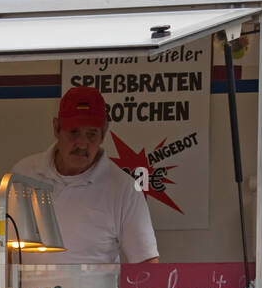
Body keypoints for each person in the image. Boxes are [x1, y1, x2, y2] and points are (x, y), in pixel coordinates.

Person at [10, 86, 159, 266]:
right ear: (56, 128)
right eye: (74, 132)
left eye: (91, 134)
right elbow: (5, 246)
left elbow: (147, 261)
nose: (82, 143)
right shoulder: (24, 173)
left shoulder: (124, 188)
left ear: (103, 135)